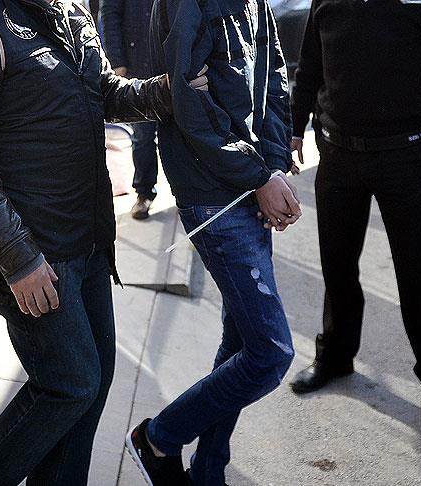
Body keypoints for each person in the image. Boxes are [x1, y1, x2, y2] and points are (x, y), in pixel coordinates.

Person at [0, 0, 203, 483]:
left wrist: (167, 91)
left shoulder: (69, 9)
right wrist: (17, 258)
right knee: (69, 385)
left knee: (91, 387)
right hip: (33, 249)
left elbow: (102, 92)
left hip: (88, 239)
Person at [125, 0, 300, 484]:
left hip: (250, 183)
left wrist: (273, 167)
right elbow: (188, 100)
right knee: (271, 353)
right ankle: (159, 438)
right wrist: (259, 176)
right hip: (213, 197)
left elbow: (273, 75)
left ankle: (208, 473)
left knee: (243, 340)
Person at [287, 0, 421, 433]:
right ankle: (335, 357)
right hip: (337, 155)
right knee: (337, 265)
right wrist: (294, 128)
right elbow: (311, 66)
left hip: (403, 156)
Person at [101, 0, 161, 219]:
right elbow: (110, 16)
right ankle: (144, 192)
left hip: (167, 58)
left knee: (181, 132)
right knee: (143, 137)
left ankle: (187, 193)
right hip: (137, 64)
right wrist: (117, 60)